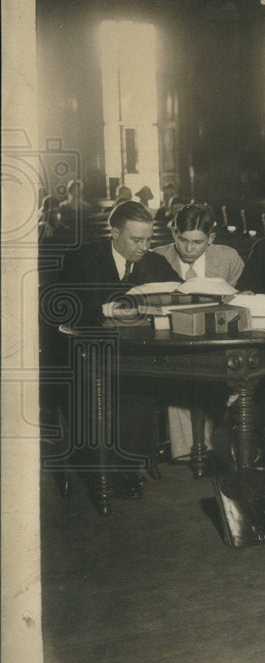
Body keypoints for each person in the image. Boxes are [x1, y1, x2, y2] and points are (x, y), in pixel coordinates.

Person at [56, 201, 181, 498]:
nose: (144, 247)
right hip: (84, 352)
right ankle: (104, 468)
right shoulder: (83, 258)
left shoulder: (153, 263)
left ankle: (125, 467)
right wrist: (105, 309)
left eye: (149, 239)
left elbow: (181, 292)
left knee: (138, 389)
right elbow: (63, 308)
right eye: (136, 240)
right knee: (102, 392)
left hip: (133, 354)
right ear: (114, 233)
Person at [153, 204, 245, 461]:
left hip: (220, 341)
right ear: (174, 233)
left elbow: (243, 299)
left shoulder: (228, 258)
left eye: (198, 242)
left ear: (211, 239)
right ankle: (189, 452)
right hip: (174, 344)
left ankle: (212, 446)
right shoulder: (157, 258)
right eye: (183, 240)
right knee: (180, 378)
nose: (189, 249)